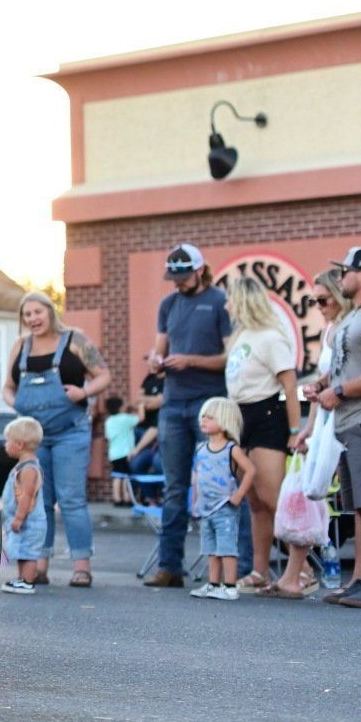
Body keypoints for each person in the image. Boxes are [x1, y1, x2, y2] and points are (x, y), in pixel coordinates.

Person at [295, 247, 361, 609]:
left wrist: (338, 392)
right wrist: (323, 384)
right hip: (351, 426)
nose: (340, 278)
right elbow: (348, 366)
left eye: (346, 271)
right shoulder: (356, 317)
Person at [1, 291, 110, 588]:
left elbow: (103, 376)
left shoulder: (75, 340)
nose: (33, 319)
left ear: (50, 312)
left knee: (72, 499)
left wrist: (84, 393)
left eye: (38, 312)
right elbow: (8, 388)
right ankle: (40, 565)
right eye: (27, 315)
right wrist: (16, 404)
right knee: (39, 501)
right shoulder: (21, 347)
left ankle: (81, 565)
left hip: (70, 432)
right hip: (35, 439)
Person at [143, 243, 233, 588]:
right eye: (173, 277)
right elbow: (160, 348)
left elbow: (230, 356)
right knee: (174, 487)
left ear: (199, 270)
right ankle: (170, 567)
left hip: (209, 403)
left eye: (183, 276)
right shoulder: (168, 304)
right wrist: (156, 360)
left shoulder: (219, 301)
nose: (177, 282)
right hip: (173, 402)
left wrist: (190, 360)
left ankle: (227, 571)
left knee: (218, 485)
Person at [265, 267, 348, 598]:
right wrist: (308, 429)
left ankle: (311, 573)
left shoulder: (348, 328)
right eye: (314, 300)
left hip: (345, 423)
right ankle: (296, 574)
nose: (318, 305)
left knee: (333, 502)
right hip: (325, 424)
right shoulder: (329, 330)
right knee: (309, 498)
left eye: (323, 298)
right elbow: (320, 383)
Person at [221, 275, 302, 593]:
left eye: (230, 299)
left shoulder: (271, 337)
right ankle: (259, 570)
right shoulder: (241, 335)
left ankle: (302, 568)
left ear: (242, 300)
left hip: (267, 415)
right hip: (241, 420)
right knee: (254, 501)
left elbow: (290, 385)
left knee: (273, 497)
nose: (226, 305)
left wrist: (294, 431)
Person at [189, 398, 252, 600]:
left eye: (210, 417)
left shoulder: (231, 449)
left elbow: (250, 470)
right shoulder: (200, 449)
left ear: (225, 421)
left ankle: (230, 586)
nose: (203, 420)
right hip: (205, 508)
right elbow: (197, 477)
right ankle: (213, 584)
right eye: (203, 417)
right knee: (210, 549)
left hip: (225, 506)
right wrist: (195, 502)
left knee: (226, 547)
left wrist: (239, 494)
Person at [0, 416, 46, 595]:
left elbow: (27, 496)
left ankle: (27, 581)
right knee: (21, 551)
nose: (5, 445)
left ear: (19, 444)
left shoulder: (28, 469)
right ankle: (22, 579)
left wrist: (19, 518)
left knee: (28, 552)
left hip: (28, 521)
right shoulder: (24, 466)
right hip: (23, 521)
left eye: (7, 441)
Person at [103, 396, 140, 505]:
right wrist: (140, 407)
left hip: (113, 454)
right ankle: (127, 498)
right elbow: (140, 418)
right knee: (126, 476)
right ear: (120, 408)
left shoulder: (108, 421)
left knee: (117, 476)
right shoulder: (125, 418)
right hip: (125, 452)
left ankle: (117, 498)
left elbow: (107, 437)